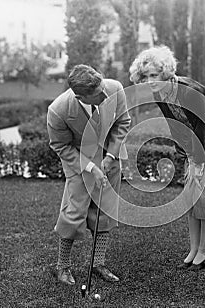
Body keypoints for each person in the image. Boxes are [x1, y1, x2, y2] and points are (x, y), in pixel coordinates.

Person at [129, 46, 205, 271]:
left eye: (154, 75)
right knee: (191, 199)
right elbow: (176, 125)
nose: (150, 81)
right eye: (145, 77)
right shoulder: (159, 92)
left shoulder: (188, 91)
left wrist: (199, 163)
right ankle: (193, 249)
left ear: (165, 72)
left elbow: (201, 128)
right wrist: (184, 154)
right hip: (196, 143)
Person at [47, 64, 131, 284]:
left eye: (103, 87)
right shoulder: (58, 110)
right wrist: (91, 168)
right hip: (80, 165)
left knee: (105, 212)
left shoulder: (114, 88)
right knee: (73, 214)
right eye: (98, 94)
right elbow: (61, 146)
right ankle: (62, 267)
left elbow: (123, 122)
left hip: (110, 159)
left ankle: (98, 264)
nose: (105, 94)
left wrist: (110, 157)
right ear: (80, 97)